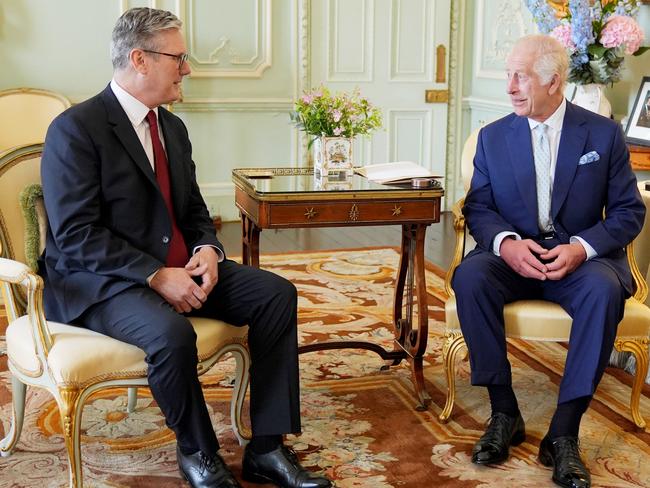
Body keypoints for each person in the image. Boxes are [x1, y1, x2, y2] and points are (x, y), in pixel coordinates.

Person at [39, 7, 332, 488]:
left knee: (276, 293)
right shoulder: (76, 129)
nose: (188, 68)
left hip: (178, 267)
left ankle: (267, 448)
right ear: (141, 59)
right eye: (179, 57)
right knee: (172, 334)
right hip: (103, 283)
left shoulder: (171, 128)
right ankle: (198, 451)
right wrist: (156, 275)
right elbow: (75, 235)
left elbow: (195, 212)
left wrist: (208, 253)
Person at [452, 35, 645, 488]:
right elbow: (477, 207)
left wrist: (581, 248)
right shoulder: (492, 137)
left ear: (554, 81)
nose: (510, 87)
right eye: (508, 75)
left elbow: (628, 211)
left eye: (520, 76)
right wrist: (506, 244)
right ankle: (504, 413)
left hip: (578, 262)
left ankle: (564, 431)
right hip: (513, 259)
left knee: (603, 290)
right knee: (471, 276)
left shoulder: (601, 134)